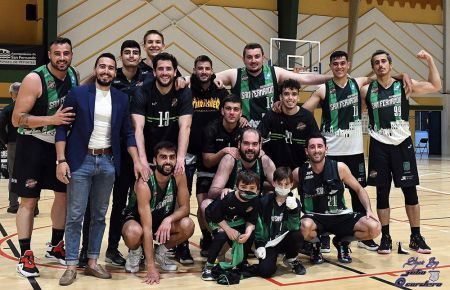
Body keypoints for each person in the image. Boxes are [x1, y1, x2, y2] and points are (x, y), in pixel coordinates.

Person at [302, 50, 411, 252]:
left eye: (343, 63)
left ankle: (360, 236)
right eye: (335, 64)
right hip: (332, 150)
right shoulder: (323, 89)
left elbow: (381, 75)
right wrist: (315, 133)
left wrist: (402, 76)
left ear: (348, 65)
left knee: (357, 189)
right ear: (331, 66)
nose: (339, 67)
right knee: (327, 192)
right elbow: (305, 111)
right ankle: (324, 235)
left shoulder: (359, 83)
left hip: (354, 150)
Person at [55, 52, 144, 286]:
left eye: (110, 68)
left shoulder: (121, 98)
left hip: (107, 163)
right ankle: (72, 265)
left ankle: (93, 262)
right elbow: (62, 128)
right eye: (102, 67)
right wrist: (61, 160)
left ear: (115, 72)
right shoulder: (78, 93)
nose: (106, 71)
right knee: (75, 215)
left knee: (98, 215)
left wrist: (136, 160)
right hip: (81, 161)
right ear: (96, 70)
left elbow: (128, 133)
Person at [360, 49, 441, 255]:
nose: (380, 65)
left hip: (402, 143)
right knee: (382, 193)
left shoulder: (404, 85)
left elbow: (436, 85)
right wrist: (395, 74)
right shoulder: (366, 90)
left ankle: (416, 236)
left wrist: (430, 60)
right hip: (378, 143)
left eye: (384, 61)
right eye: (376, 62)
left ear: (391, 64)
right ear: (373, 67)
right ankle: (385, 237)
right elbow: (354, 82)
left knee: (410, 192)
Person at [11, 37, 79, 278]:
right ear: (49, 55)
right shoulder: (34, 79)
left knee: (63, 196)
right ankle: (26, 254)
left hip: (59, 147)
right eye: (57, 53)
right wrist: (52, 120)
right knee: (29, 201)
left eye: (66, 53)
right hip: (33, 144)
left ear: (71, 55)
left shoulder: (73, 75)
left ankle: (56, 245)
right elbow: (17, 119)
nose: (62, 57)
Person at [79, 40, 147, 268]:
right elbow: (82, 88)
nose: (131, 56)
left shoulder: (148, 75)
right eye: (126, 52)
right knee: (95, 205)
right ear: (121, 56)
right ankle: (85, 250)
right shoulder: (110, 75)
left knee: (122, 203)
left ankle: (113, 249)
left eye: (135, 53)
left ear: (140, 56)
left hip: (133, 148)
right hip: (108, 149)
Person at [294, 133, 381, 264]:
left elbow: (359, 189)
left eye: (320, 146)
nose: (316, 150)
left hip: (340, 216)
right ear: (307, 151)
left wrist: (368, 209)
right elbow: (283, 190)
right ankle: (315, 245)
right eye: (312, 147)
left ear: (326, 149)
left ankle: (342, 241)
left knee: (374, 228)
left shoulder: (339, 168)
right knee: (303, 227)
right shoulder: (298, 173)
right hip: (314, 218)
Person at [121, 141, 195, 284]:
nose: (168, 161)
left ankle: (160, 252)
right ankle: (136, 252)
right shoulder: (145, 183)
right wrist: (151, 268)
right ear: (155, 160)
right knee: (133, 232)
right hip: (139, 223)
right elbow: (147, 228)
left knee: (188, 225)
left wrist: (169, 220)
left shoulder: (179, 175)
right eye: (163, 157)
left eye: (172, 157)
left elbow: (185, 208)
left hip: (161, 221)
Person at [215, 43, 332, 128]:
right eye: (249, 57)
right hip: (245, 130)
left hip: (272, 128)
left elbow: (305, 78)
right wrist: (216, 82)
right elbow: (207, 77)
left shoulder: (274, 72)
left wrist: (333, 78)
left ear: (263, 58)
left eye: (257, 56)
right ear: (243, 59)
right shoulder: (235, 74)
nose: (253, 60)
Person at [132, 52, 193, 176]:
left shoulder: (184, 93)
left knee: (179, 190)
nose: (165, 73)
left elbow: (185, 127)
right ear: (154, 72)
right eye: (160, 69)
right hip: (149, 154)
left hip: (173, 155)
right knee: (143, 190)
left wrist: (180, 158)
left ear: (175, 72)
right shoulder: (142, 92)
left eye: (168, 69)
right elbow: (137, 128)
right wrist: (142, 160)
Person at [198, 94, 243, 257]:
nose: (232, 113)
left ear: (241, 113)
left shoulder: (244, 129)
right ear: (222, 111)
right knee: (203, 205)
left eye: (236, 109)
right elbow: (208, 161)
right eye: (228, 109)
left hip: (232, 174)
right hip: (208, 171)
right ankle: (208, 236)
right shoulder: (211, 129)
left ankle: (234, 239)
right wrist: (224, 151)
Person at [202, 170, 259, 281]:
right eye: (243, 187)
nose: (247, 190)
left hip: (236, 221)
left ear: (257, 189)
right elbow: (215, 215)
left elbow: (251, 221)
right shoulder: (227, 197)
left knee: (249, 235)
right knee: (221, 235)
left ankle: (241, 263)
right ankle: (208, 267)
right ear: (236, 186)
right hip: (216, 220)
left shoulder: (255, 200)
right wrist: (228, 229)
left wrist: (247, 233)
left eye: (252, 188)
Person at [255, 167, 305, 278]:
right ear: (273, 183)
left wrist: (293, 210)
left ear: (292, 184)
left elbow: (294, 227)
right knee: (265, 271)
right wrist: (260, 245)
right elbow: (259, 226)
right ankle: (272, 259)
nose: (283, 187)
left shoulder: (295, 202)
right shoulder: (264, 201)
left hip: (286, 240)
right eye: (280, 184)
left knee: (297, 235)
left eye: (286, 184)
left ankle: (291, 258)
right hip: (270, 243)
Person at [258, 79, 319, 169]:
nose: (290, 97)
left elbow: (317, 141)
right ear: (280, 97)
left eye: (294, 94)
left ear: (298, 97)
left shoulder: (307, 117)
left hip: (300, 170)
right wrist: (259, 151)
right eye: (286, 94)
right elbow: (258, 137)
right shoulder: (272, 114)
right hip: (275, 170)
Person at [0, 82, 21, 213]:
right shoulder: (31, 107)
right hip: (30, 144)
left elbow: (0, 127)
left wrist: (5, 141)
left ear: (11, 94)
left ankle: (13, 205)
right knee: (30, 173)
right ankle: (33, 207)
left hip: (13, 144)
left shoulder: (7, 109)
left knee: (13, 174)